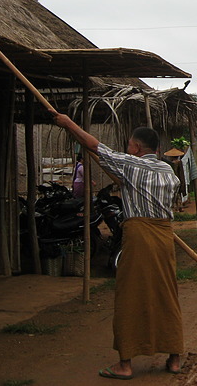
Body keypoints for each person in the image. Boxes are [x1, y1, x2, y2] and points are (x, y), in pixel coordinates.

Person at [51, 113, 183, 379]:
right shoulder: (168, 169)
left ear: (135, 147)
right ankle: (175, 358)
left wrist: (67, 123)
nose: (127, 148)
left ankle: (125, 364)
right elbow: (106, 160)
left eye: (129, 145)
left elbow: (94, 145)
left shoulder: (131, 165)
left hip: (140, 236)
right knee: (166, 292)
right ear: (156, 149)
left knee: (129, 295)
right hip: (164, 236)